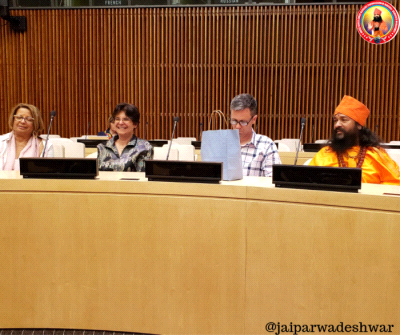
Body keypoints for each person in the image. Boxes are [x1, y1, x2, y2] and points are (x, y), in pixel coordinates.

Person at [309, 95, 400, 185]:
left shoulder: (376, 156)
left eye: (344, 120)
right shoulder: (324, 154)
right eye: (335, 120)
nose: (337, 125)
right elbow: (308, 183)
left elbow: (394, 184)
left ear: (359, 125)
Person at [230, 93, 281, 177]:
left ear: (254, 119)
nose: (237, 126)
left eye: (243, 122)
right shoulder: (221, 144)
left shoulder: (266, 145)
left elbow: (273, 183)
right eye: (234, 121)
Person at [97, 102, 153, 171]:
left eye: (126, 119)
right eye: (117, 119)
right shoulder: (102, 147)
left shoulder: (144, 147)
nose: (120, 123)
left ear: (135, 124)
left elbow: (142, 178)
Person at [0, 103, 54, 171]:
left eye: (29, 119)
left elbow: (48, 174)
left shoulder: (45, 146)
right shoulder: (1, 142)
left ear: (35, 123)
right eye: (19, 117)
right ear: (13, 120)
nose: (22, 121)